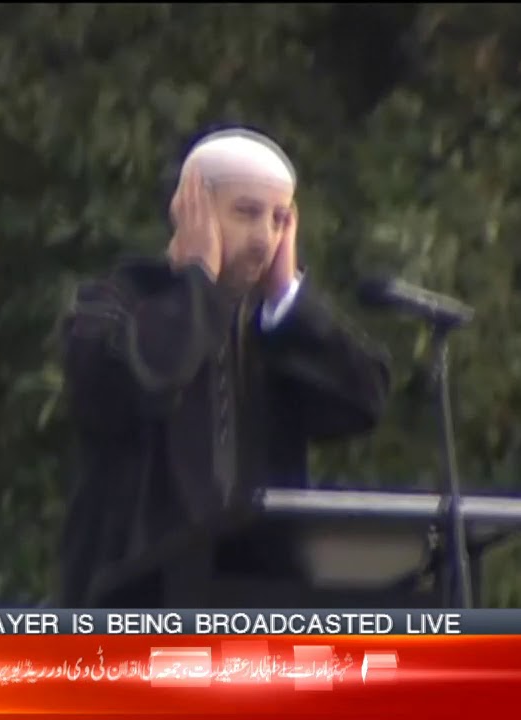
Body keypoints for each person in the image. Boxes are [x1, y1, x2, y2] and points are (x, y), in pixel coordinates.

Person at [58, 128, 391, 607]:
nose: (263, 238)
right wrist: (199, 282)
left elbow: (365, 402)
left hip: (257, 608)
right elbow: (143, 381)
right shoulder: (116, 304)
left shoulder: (275, 329)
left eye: (278, 219)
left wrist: (289, 299)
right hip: (132, 609)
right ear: (191, 208)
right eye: (247, 213)